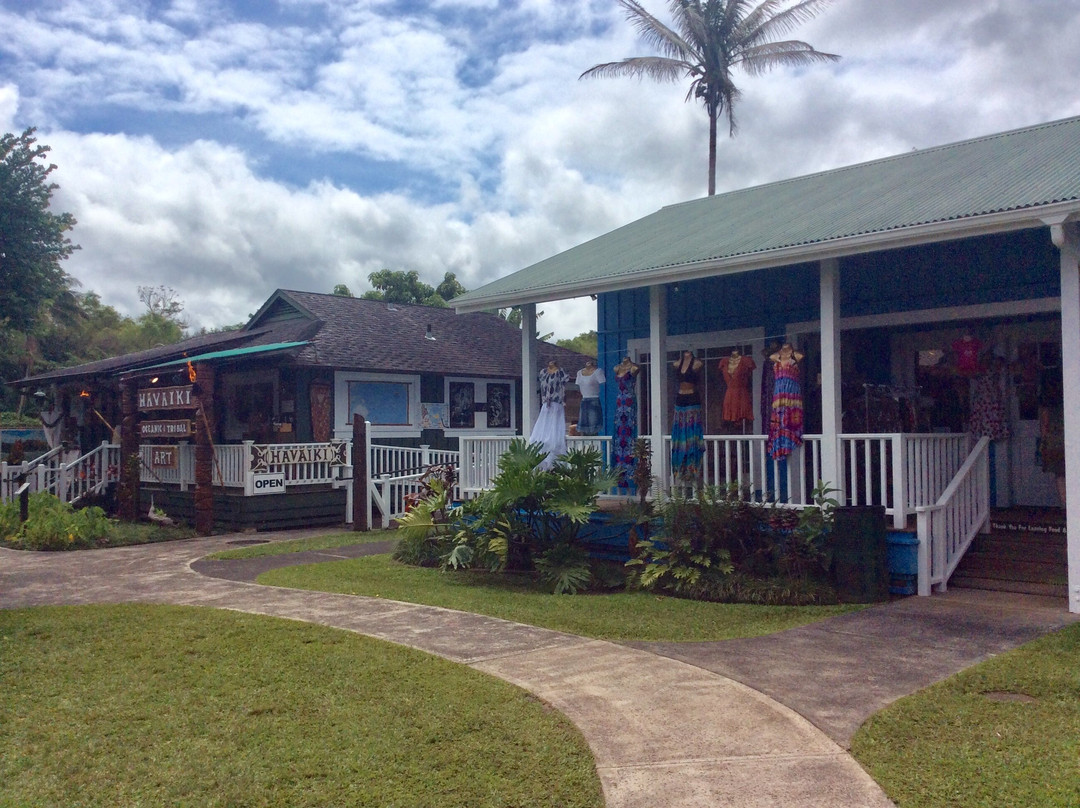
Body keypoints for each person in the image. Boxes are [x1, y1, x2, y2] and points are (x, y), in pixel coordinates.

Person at [670, 350, 705, 488]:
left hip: (692, 397)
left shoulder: (697, 363)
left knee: (692, 430)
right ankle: (680, 469)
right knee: (679, 431)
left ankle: (692, 468)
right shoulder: (677, 363)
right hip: (680, 398)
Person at [529, 360, 569, 470]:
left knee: (554, 436)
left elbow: (564, 382)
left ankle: (554, 463)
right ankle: (542, 462)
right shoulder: (543, 373)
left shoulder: (561, 373)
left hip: (556, 404)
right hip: (545, 405)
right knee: (537, 436)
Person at [767, 343, 804, 460]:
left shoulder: (797, 356)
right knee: (779, 419)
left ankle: (790, 443)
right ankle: (780, 446)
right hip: (779, 394)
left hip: (792, 394)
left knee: (791, 418)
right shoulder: (774, 357)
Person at [1039, 369, 1066, 506]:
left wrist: (1043, 443)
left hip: (1054, 442)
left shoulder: (1046, 406)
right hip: (1068, 439)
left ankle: (1064, 503)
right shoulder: (1068, 401)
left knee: (1060, 474)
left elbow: (1044, 425)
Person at [612, 357, 640, 488]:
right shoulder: (617, 368)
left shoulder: (634, 368)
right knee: (618, 435)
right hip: (619, 402)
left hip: (629, 402)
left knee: (629, 432)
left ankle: (630, 473)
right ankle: (619, 473)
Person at [720, 349, 756, 425]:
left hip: (741, 393)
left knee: (742, 415)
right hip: (729, 393)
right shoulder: (724, 361)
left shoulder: (746, 361)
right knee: (729, 417)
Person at [575, 359, 605, 436]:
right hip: (584, 399)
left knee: (593, 424)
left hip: (594, 399)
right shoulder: (579, 373)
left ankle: (594, 444)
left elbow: (602, 382)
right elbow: (578, 385)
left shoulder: (598, 372)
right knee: (584, 424)